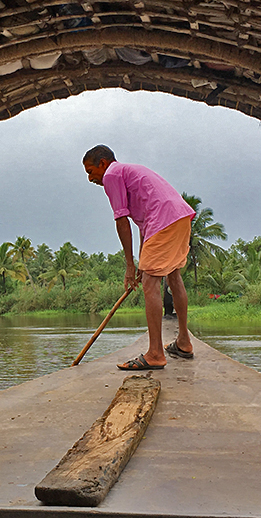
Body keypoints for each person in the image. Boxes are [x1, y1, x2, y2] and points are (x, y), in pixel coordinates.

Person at [82, 145, 196, 370]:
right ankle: (183, 342)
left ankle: (155, 354)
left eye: (90, 171)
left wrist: (129, 267)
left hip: (164, 220)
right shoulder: (128, 172)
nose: (90, 178)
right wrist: (142, 261)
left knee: (150, 283)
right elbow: (145, 225)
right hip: (179, 217)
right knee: (173, 275)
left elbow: (122, 221)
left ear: (103, 163)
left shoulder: (112, 175)